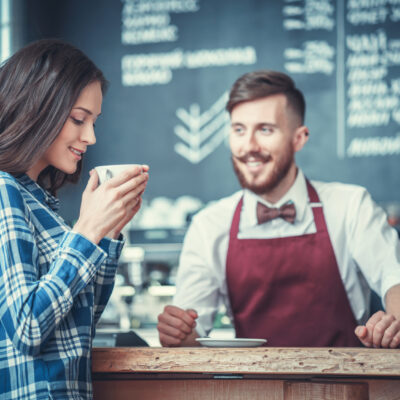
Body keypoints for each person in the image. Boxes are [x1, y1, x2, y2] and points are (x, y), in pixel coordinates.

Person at [157, 70, 400, 349]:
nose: (249, 146)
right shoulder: (209, 225)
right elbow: (192, 334)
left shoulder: (351, 205)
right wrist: (179, 332)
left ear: (299, 138)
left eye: (265, 129)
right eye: (238, 130)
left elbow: (394, 277)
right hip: (252, 390)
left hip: (345, 387)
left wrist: (394, 323)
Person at [0, 39, 149, 399]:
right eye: (79, 119)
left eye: (94, 121)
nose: (91, 137)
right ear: (36, 108)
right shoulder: (4, 191)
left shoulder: (38, 200)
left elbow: (80, 323)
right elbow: (28, 328)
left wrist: (107, 233)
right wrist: (86, 232)